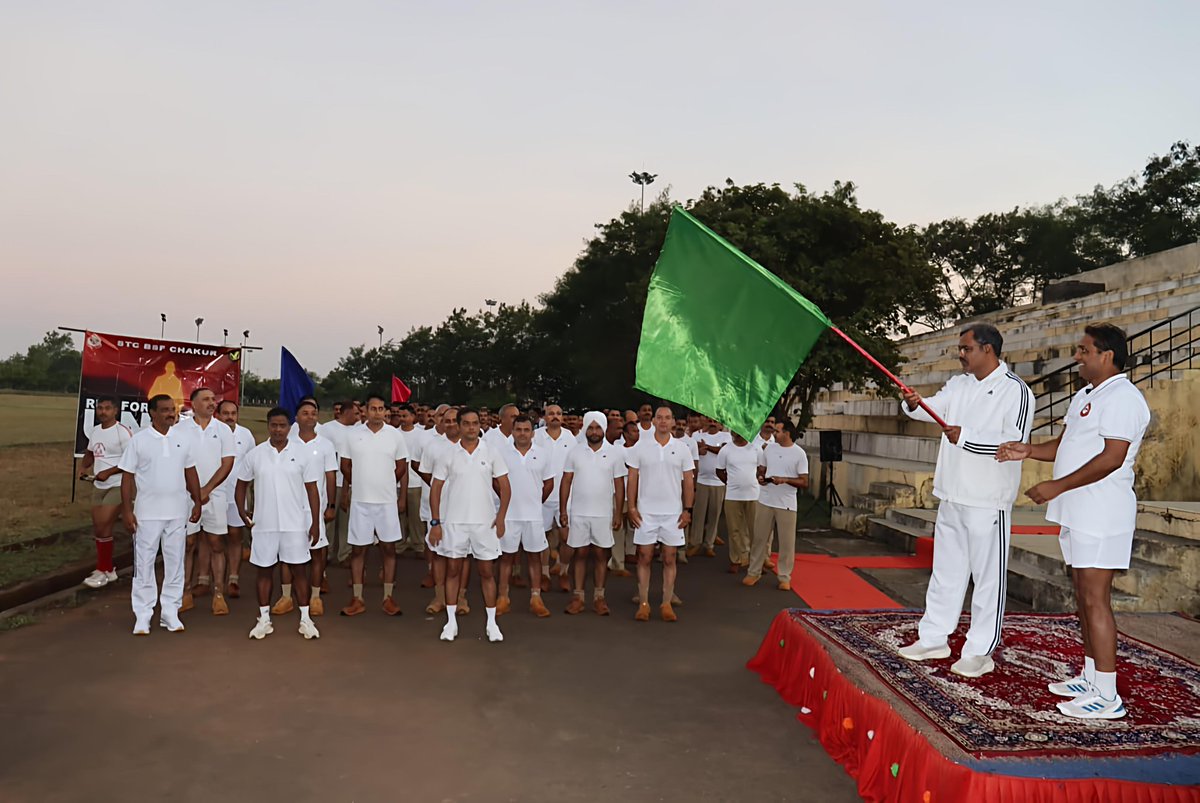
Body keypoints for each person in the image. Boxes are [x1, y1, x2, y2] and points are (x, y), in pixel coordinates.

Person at [998, 323, 1150, 718]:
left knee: (1096, 599)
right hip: (1078, 510)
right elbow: (1065, 445)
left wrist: (1057, 486)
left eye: (1084, 350)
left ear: (1107, 355)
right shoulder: (1086, 394)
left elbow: (1112, 458)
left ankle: (1108, 696)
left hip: (1102, 511)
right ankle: (1091, 676)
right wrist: (1028, 450)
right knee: (1083, 596)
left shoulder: (1123, 398)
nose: (1077, 356)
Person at [895, 324, 1034, 679]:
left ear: (988, 349)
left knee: (988, 580)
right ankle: (933, 638)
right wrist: (914, 403)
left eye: (966, 348)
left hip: (988, 500)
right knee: (946, 572)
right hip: (952, 494)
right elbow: (933, 409)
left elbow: (1015, 442)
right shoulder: (959, 384)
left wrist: (966, 437)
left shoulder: (1016, 391)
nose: (961, 354)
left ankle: (979, 651)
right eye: (960, 348)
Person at [118, 394, 202, 635]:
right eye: (164, 410)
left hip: (177, 512)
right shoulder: (139, 440)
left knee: (175, 563)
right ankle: (143, 615)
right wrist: (127, 510)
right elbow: (127, 477)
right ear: (152, 413)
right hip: (147, 514)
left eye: (172, 409)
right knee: (144, 564)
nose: (170, 414)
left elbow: (190, 472)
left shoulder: (182, 439)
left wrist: (197, 501)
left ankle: (170, 612)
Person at [235, 408, 322, 640]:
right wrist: (242, 511)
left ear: (289, 427)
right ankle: (264, 619)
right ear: (268, 426)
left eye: (282, 425)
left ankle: (306, 619)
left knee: (299, 571)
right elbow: (241, 484)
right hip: (264, 524)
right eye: (274, 425)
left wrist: (315, 523)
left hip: (295, 524)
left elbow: (313, 490)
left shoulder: (302, 454)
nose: (278, 430)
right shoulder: (255, 454)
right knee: (264, 571)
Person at [429, 407, 511, 642]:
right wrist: (435, 522)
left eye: (475, 423)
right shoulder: (448, 454)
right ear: (459, 425)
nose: (471, 427)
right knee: (453, 570)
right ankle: (451, 623)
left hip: (485, 523)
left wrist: (501, 517)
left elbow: (505, 487)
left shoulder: (492, 451)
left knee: (487, 572)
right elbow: (435, 489)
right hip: (455, 522)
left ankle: (492, 624)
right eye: (466, 423)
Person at [339, 394, 409, 616]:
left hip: (386, 502)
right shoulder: (352, 435)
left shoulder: (395, 435)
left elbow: (401, 466)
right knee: (358, 550)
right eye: (373, 408)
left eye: (381, 409)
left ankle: (388, 597)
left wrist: (386, 482)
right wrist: (359, 483)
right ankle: (357, 598)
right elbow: (345, 465)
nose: (377, 413)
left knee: (388, 549)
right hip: (361, 502)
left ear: (385, 411)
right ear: (365, 411)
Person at [626, 406, 694, 622]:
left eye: (667, 418)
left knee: (669, 557)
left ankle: (666, 602)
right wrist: (631, 507)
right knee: (644, 556)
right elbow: (632, 478)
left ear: (673, 422)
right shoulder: (640, 447)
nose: (663, 421)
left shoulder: (682, 448)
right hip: (646, 513)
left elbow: (688, 481)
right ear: (653, 421)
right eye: (660, 418)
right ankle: (644, 603)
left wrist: (687, 509)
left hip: (673, 514)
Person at [175, 387, 236, 616]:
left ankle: (218, 594)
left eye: (213, 399)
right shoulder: (179, 429)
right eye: (206, 399)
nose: (212, 403)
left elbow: (227, 463)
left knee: (216, 543)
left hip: (215, 495)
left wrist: (206, 489)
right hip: (186, 496)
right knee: (188, 544)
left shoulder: (223, 430)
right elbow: (176, 462)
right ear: (193, 404)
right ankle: (185, 593)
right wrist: (194, 493)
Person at [274, 400, 338, 617]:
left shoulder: (326, 445)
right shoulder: (286, 442)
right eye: (305, 413)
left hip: (314, 508)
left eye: (313, 413)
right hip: (289, 507)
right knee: (286, 553)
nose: (310, 417)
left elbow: (331, 476)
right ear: (296, 417)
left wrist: (331, 505)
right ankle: (286, 596)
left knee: (317, 552)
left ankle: (315, 597)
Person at [560, 411, 626, 616]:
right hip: (579, 513)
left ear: (604, 429)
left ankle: (599, 597)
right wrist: (563, 510)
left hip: (603, 514)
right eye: (590, 428)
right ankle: (578, 597)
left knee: (600, 555)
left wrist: (618, 513)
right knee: (579, 554)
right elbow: (566, 481)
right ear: (585, 429)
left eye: (598, 428)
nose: (594, 432)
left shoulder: (614, 453)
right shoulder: (575, 452)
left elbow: (619, 485)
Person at [743, 421, 810, 592]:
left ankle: (784, 577)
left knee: (786, 543)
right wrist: (761, 478)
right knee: (759, 539)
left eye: (777, 431)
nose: (774, 433)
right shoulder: (769, 449)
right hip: (765, 499)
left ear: (787, 433)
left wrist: (785, 480)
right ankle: (753, 572)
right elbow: (762, 469)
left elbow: (804, 481)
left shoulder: (799, 453)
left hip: (787, 503)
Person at [498, 415, 553, 618]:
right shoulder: (502, 453)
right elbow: (496, 482)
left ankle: (536, 599)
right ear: (512, 431)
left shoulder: (543, 454)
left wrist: (536, 501)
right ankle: (503, 598)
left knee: (534, 557)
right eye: (518, 429)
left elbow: (549, 483)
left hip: (534, 516)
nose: (522, 433)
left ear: (532, 432)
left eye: (526, 430)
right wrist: (506, 500)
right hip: (509, 516)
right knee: (506, 558)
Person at [80, 396, 132, 588]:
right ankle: (107, 569)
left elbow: (131, 460)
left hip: (118, 485)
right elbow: (90, 453)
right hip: (98, 485)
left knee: (103, 524)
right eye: (100, 408)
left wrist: (109, 472)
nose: (103, 412)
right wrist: (84, 467)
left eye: (107, 408)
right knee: (100, 528)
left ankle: (103, 569)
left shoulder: (122, 433)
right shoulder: (95, 431)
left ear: (115, 411)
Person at [216, 399, 255, 598]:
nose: (230, 417)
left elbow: (251, 465)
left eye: (233, 413)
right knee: (212, 538)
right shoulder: (211, 433)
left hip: (236, 495)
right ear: (218, 415)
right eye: (225, 413)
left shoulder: (245, 435)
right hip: (213, 494)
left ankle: (233, 579)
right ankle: (207, 580)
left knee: (235, 535)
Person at [534, 404, 575, 590]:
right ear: (545, 416)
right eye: (551, 414)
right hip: (542, 495)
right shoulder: (536, 436)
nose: (555, 416)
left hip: (566, 497)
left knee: (567, 537)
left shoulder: (570, 437)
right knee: (541, 538)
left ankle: (564, 572)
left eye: (559, 413)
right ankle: (544, 574)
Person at [321, 400, 362, 567]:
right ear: (346, 412)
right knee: (328, 520)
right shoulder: (327, 429)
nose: (358, 417)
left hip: (350, 482)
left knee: (347, 522)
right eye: (356, 413)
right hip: (330, 482)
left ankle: (344, 554)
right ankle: (326, 553)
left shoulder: (358, 431)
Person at [715, 431, 759, 573]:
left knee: (755, 530)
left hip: (754, 495)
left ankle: (756, 562)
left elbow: (762, 469)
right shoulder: (726, 450)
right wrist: (731, 483)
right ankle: (736, 559)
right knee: (734, 530)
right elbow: (719, 471)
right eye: (735, 430)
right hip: (732, 496)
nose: (738, 433)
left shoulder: (756, 449)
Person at [688, 416, 731, 558]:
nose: (712, 424)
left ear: (720, 425)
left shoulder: (726, 436)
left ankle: (709, 544)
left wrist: (706, 447)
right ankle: (695, 543)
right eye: (710, 421)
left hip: (718, 482)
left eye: (715, 421)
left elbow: (722, 451)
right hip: (701, 480)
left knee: (714, 515)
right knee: (698, 515)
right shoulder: (697, 435)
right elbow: (694, 450)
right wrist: (705, 447)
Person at [395, 403, 427, 560]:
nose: (402, 419)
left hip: (416, 482)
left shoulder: (421, 435)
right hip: (396, 482)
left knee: (416, 517)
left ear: (413, 417)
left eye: (405, 416)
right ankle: (399, 545)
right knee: (399, 516)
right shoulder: (394, 434)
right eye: (400, 416)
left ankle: (418, 545)